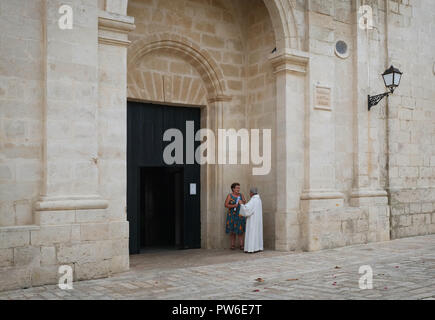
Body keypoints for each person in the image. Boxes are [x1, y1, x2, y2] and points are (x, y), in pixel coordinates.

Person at [238, 187, 263, 253]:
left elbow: (247, 209)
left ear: (251, 193)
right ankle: (257, 247)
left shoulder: (253, 200)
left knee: (252, 232)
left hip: (252, 220)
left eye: (250, 193)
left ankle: (251, 248)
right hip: (257, 219)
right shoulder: (258, 199)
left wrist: (241, 204)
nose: (249, 194)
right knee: (256, 232)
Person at [224, 182, 246, 250]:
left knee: (240, 231)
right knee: (232, 231)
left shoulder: (241, 195)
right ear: (233, 189)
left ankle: (241, 245)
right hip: (232, 215)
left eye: (239, 188)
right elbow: (226, 205)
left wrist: (242, 202)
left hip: (240, 215)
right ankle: (232, 245)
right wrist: (234, 205)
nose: (238, 189)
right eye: (237, 188)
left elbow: (245, 202)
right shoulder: (230, 196)